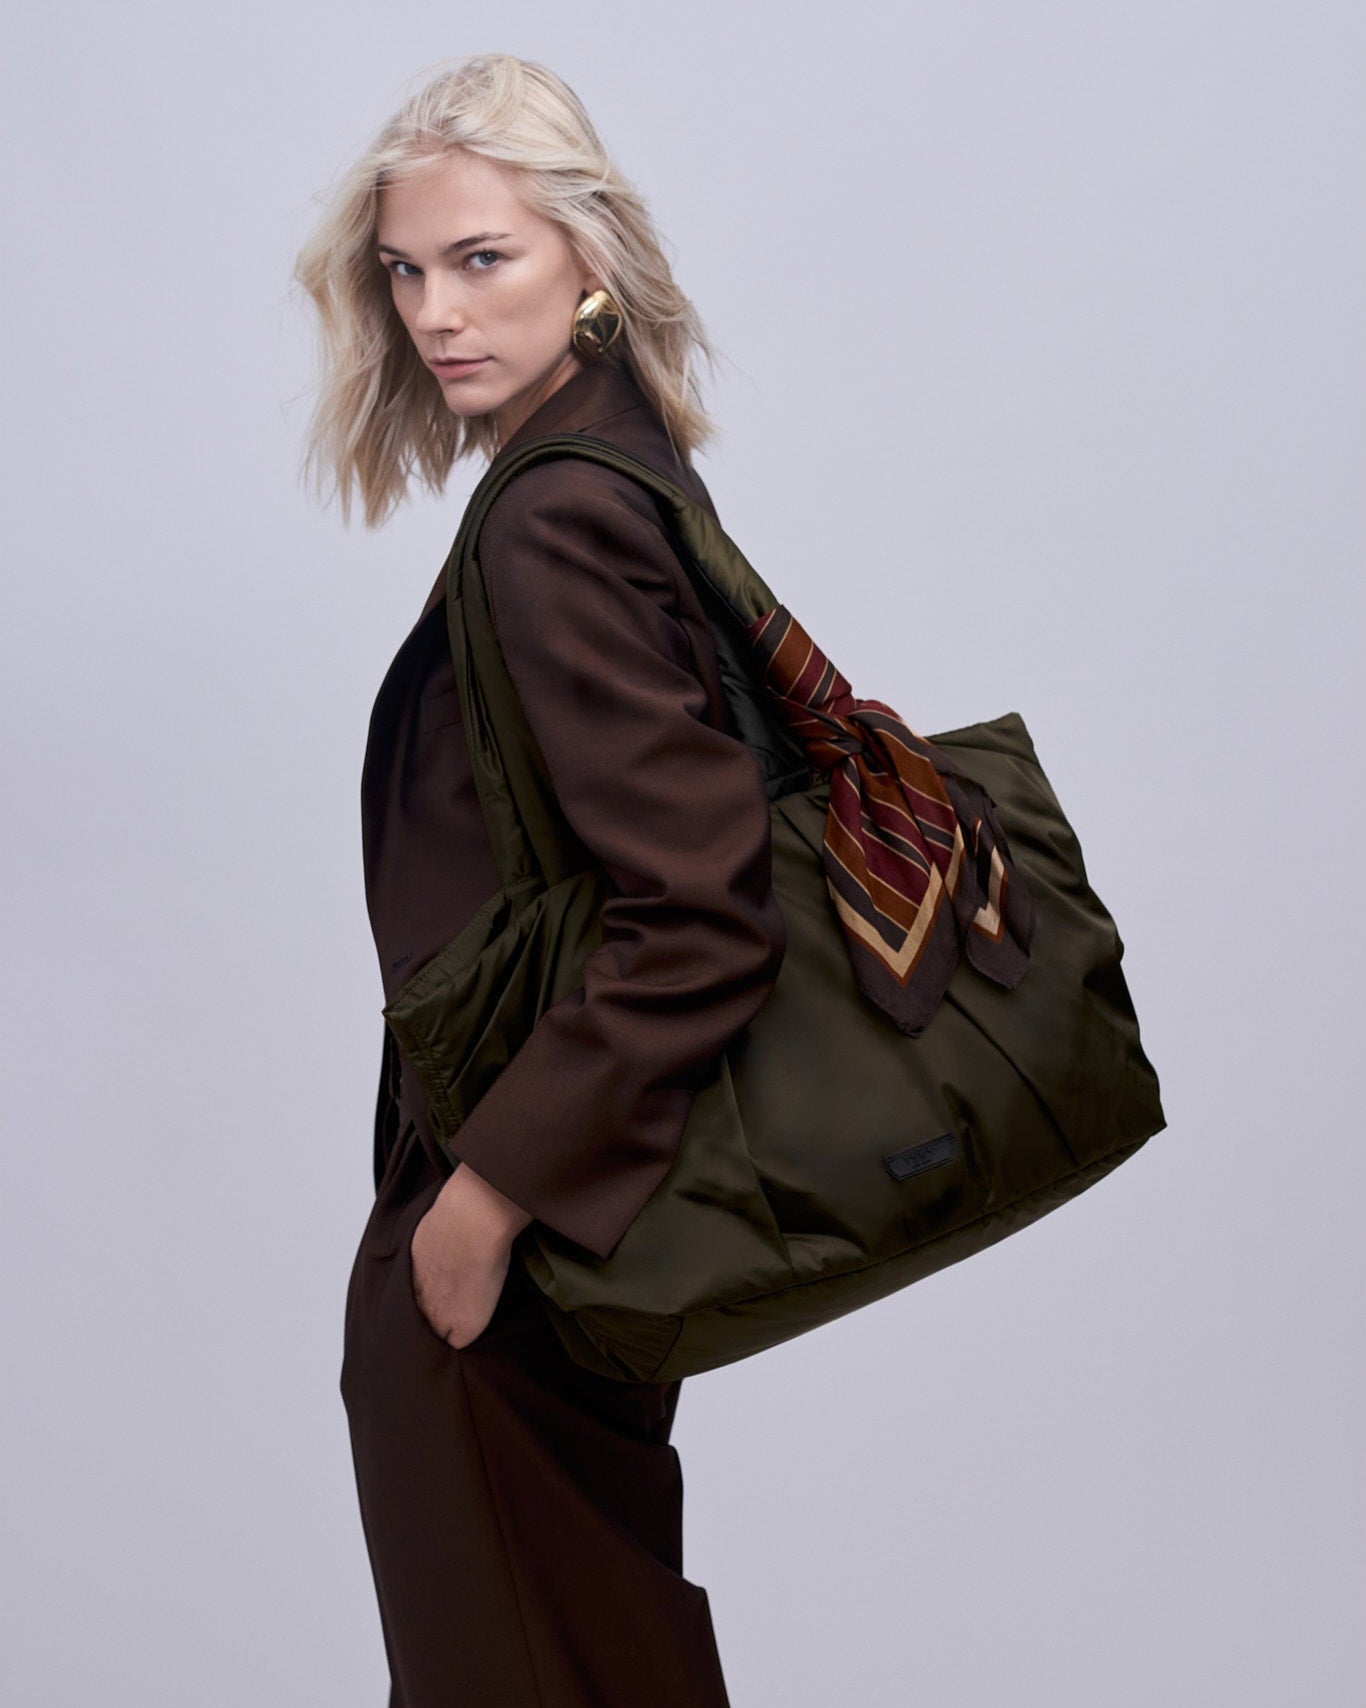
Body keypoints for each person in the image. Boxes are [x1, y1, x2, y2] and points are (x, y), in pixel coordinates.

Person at [293, 53, 787, 1708]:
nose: (435, 311)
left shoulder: (551, 518)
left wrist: (486, 1198)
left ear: (589, 260)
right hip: (568, 1216)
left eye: (481, 258)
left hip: (518, 1221)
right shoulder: (606, 466)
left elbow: (701, 904)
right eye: (406, 270)